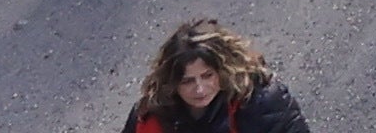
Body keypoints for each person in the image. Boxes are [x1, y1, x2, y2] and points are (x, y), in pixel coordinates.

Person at [114, 23, 314, 133]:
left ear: (224, 69)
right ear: (172, 84)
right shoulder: (151, 114)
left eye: (207, 76)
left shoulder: (263, 101)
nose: (200, 89)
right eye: (187, 81)